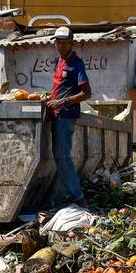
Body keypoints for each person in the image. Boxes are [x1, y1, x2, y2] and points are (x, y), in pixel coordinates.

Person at [43, 26, 92, 206]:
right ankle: (72, 195)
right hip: (56, 114)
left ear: (71, 43)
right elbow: (61, 88)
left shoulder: (76, 64)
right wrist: (51, 98)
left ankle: (79, 198)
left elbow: (86, 93)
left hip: (66, 115)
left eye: (64, 42)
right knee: (59, 156)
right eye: (58, 42)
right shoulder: (59, 61)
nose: (61, 46)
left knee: (62, 156)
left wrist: (62, 102)